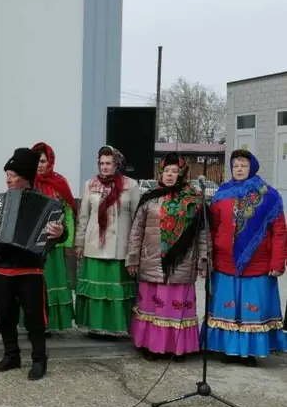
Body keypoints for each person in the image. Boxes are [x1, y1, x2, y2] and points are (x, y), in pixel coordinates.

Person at [0, 147, 66, 381]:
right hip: (3, 267)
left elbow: (60, 234)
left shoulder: (49, 204)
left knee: (35, 317)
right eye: (6, 174)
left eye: (13, 175)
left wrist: (59, 232)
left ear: (25, 177)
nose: (8, 179)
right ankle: (11, 355)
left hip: (31, 269)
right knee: (4, 316)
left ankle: (39, 359)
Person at [203, 149, 287, 366]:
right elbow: (212, 229)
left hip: (257, 265)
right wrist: (208, 259)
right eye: (236, 165)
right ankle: (227, 349)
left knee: (251, 310)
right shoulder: (222, 193)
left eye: (243, 165)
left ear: (252, 167)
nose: (239, 169)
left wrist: (278, 262)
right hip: (224, 263)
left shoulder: (269, 196)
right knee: (226, 308)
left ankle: (249, 353)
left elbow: (279, 232)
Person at [126, 153, 206, 360]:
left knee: (174, 306)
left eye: (174, 171)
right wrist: (133, 258)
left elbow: (203, 234)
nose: (170, 175)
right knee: (151, 306)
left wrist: (203, 260)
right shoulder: (150, 198)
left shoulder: (194, 199)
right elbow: (137, 231)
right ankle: (151, 346)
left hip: (182, 263)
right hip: (151, 261)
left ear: (182, 174)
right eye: (166, 171)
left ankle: (176, 348)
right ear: (161, 173)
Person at [75, 146, 140, 338]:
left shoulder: (131, 185)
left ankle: (117, 327)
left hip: (119, 247)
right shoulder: (90, 185)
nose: (104, 167)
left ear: (117, 164)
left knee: (117, 289)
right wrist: (79, 242)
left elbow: (137, 219)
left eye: (108, 163)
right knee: (96, 288)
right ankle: (95, 326)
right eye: (101, 163)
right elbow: (84, 216)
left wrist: (135, 249)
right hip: (95, 244)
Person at [29, 142, 76, 333]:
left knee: (54, 282)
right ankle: (35, 322)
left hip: (55, 245)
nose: (39, 165)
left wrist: (69, 241)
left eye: (42, 161)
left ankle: (52, 324)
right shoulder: (27, 182)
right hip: (32, 245)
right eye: (36, 161)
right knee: (34, 284)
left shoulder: (60, 182)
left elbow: (69, 214)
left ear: (50, 161)